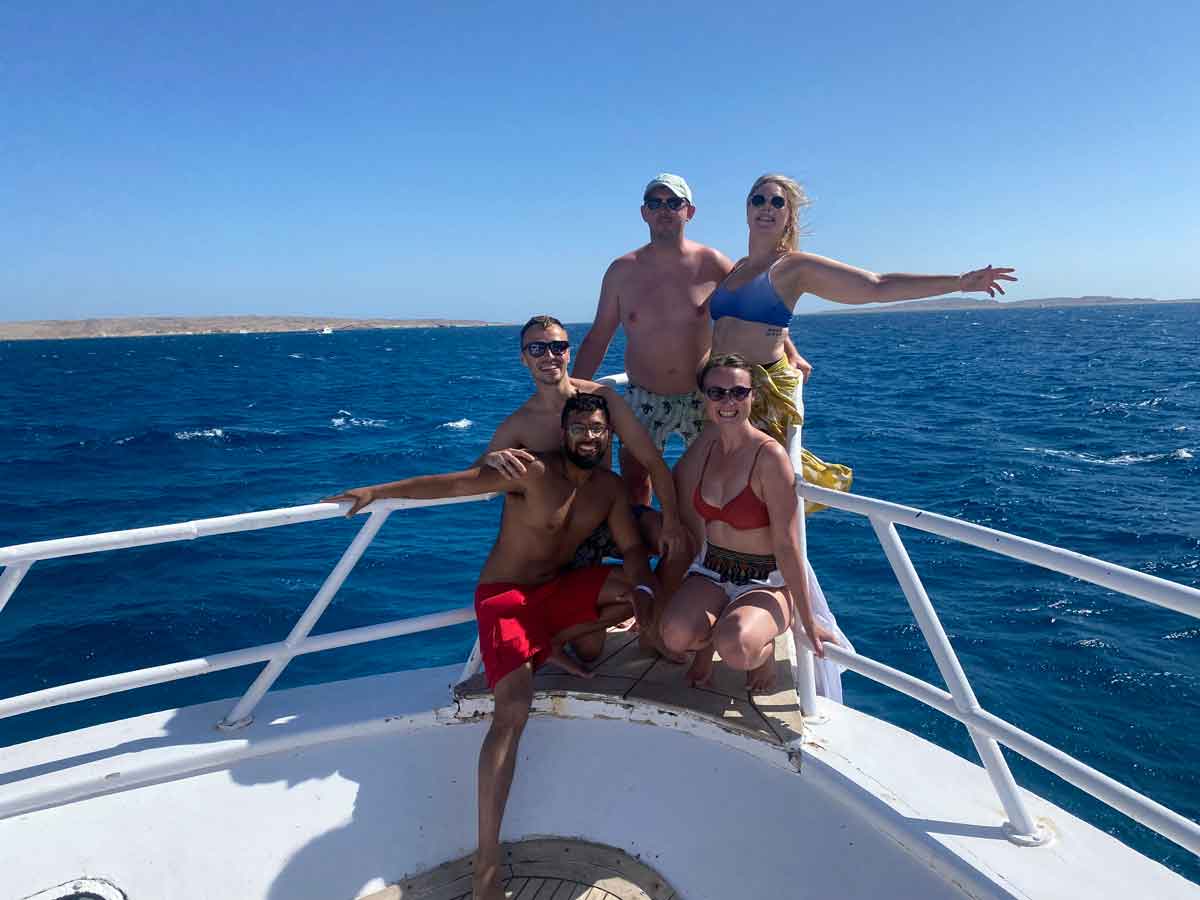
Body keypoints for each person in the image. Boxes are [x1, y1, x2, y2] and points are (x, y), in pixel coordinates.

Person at [324, 393, 659, 900]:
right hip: (505, 598)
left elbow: (633, 549)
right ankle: (487, 864)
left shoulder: (609, 490)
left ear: (608, 436)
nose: (589, 437)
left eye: (597, 429)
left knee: (628, 596)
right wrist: (378, 490)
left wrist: (644, 592)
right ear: (563, 432)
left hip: (553, 593)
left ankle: (549, 641)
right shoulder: (529, 470)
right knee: (513, 713)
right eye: (580, 428)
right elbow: (454, 483)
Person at [711, 172, 1017, 456]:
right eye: (759, 200)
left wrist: (959, 283)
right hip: (717, 392)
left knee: (754, 495)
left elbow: (877, 286)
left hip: (755, 396)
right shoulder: (738, 266)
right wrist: (791, 349)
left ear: (789, 216)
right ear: (747, 209)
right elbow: (765, 319)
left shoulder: (794, 267)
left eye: (778, 202)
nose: (767, 207)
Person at [571, 173, 809, 506]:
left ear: (689, 211)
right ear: (644, 212)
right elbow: (598, 337)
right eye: (655, 203)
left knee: (707, 478)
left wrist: (790, 351)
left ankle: (696, 549)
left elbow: (755, 305)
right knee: (635, 478)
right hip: (644, 395)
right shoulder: (621, 272)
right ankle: (646, 546)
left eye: (674, 203)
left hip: (703, 395)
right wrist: (571, 392)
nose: (664, 210)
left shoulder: (712, 262)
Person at [659, 355, 834, 693]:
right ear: (704, 398)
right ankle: (706, 645)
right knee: (674, 635)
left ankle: (762, 653)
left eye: (739, 392)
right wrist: (672, 527)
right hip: (712, 569)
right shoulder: (707, 444)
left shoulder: (769, 457)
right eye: (717, 392)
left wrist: (808, 620)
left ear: (753, 395)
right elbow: (676, 478)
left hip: (765, 579)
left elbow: (787, 544)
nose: (728, 401)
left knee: (738, 647)